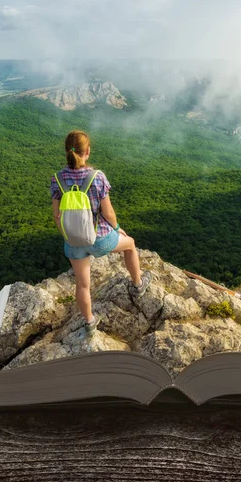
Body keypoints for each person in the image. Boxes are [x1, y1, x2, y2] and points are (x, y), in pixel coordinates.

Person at [50, 130, 152, 333]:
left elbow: (57, 216)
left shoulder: (57, 179)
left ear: (67, 152)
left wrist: (69, 236)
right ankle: (138, 285)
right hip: (100, 239)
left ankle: (89, 323)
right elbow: (109, 212)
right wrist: (117, 229)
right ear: (87, 151)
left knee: (82, 284)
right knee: (130, 245)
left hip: (74, 242)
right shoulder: (97, 177)